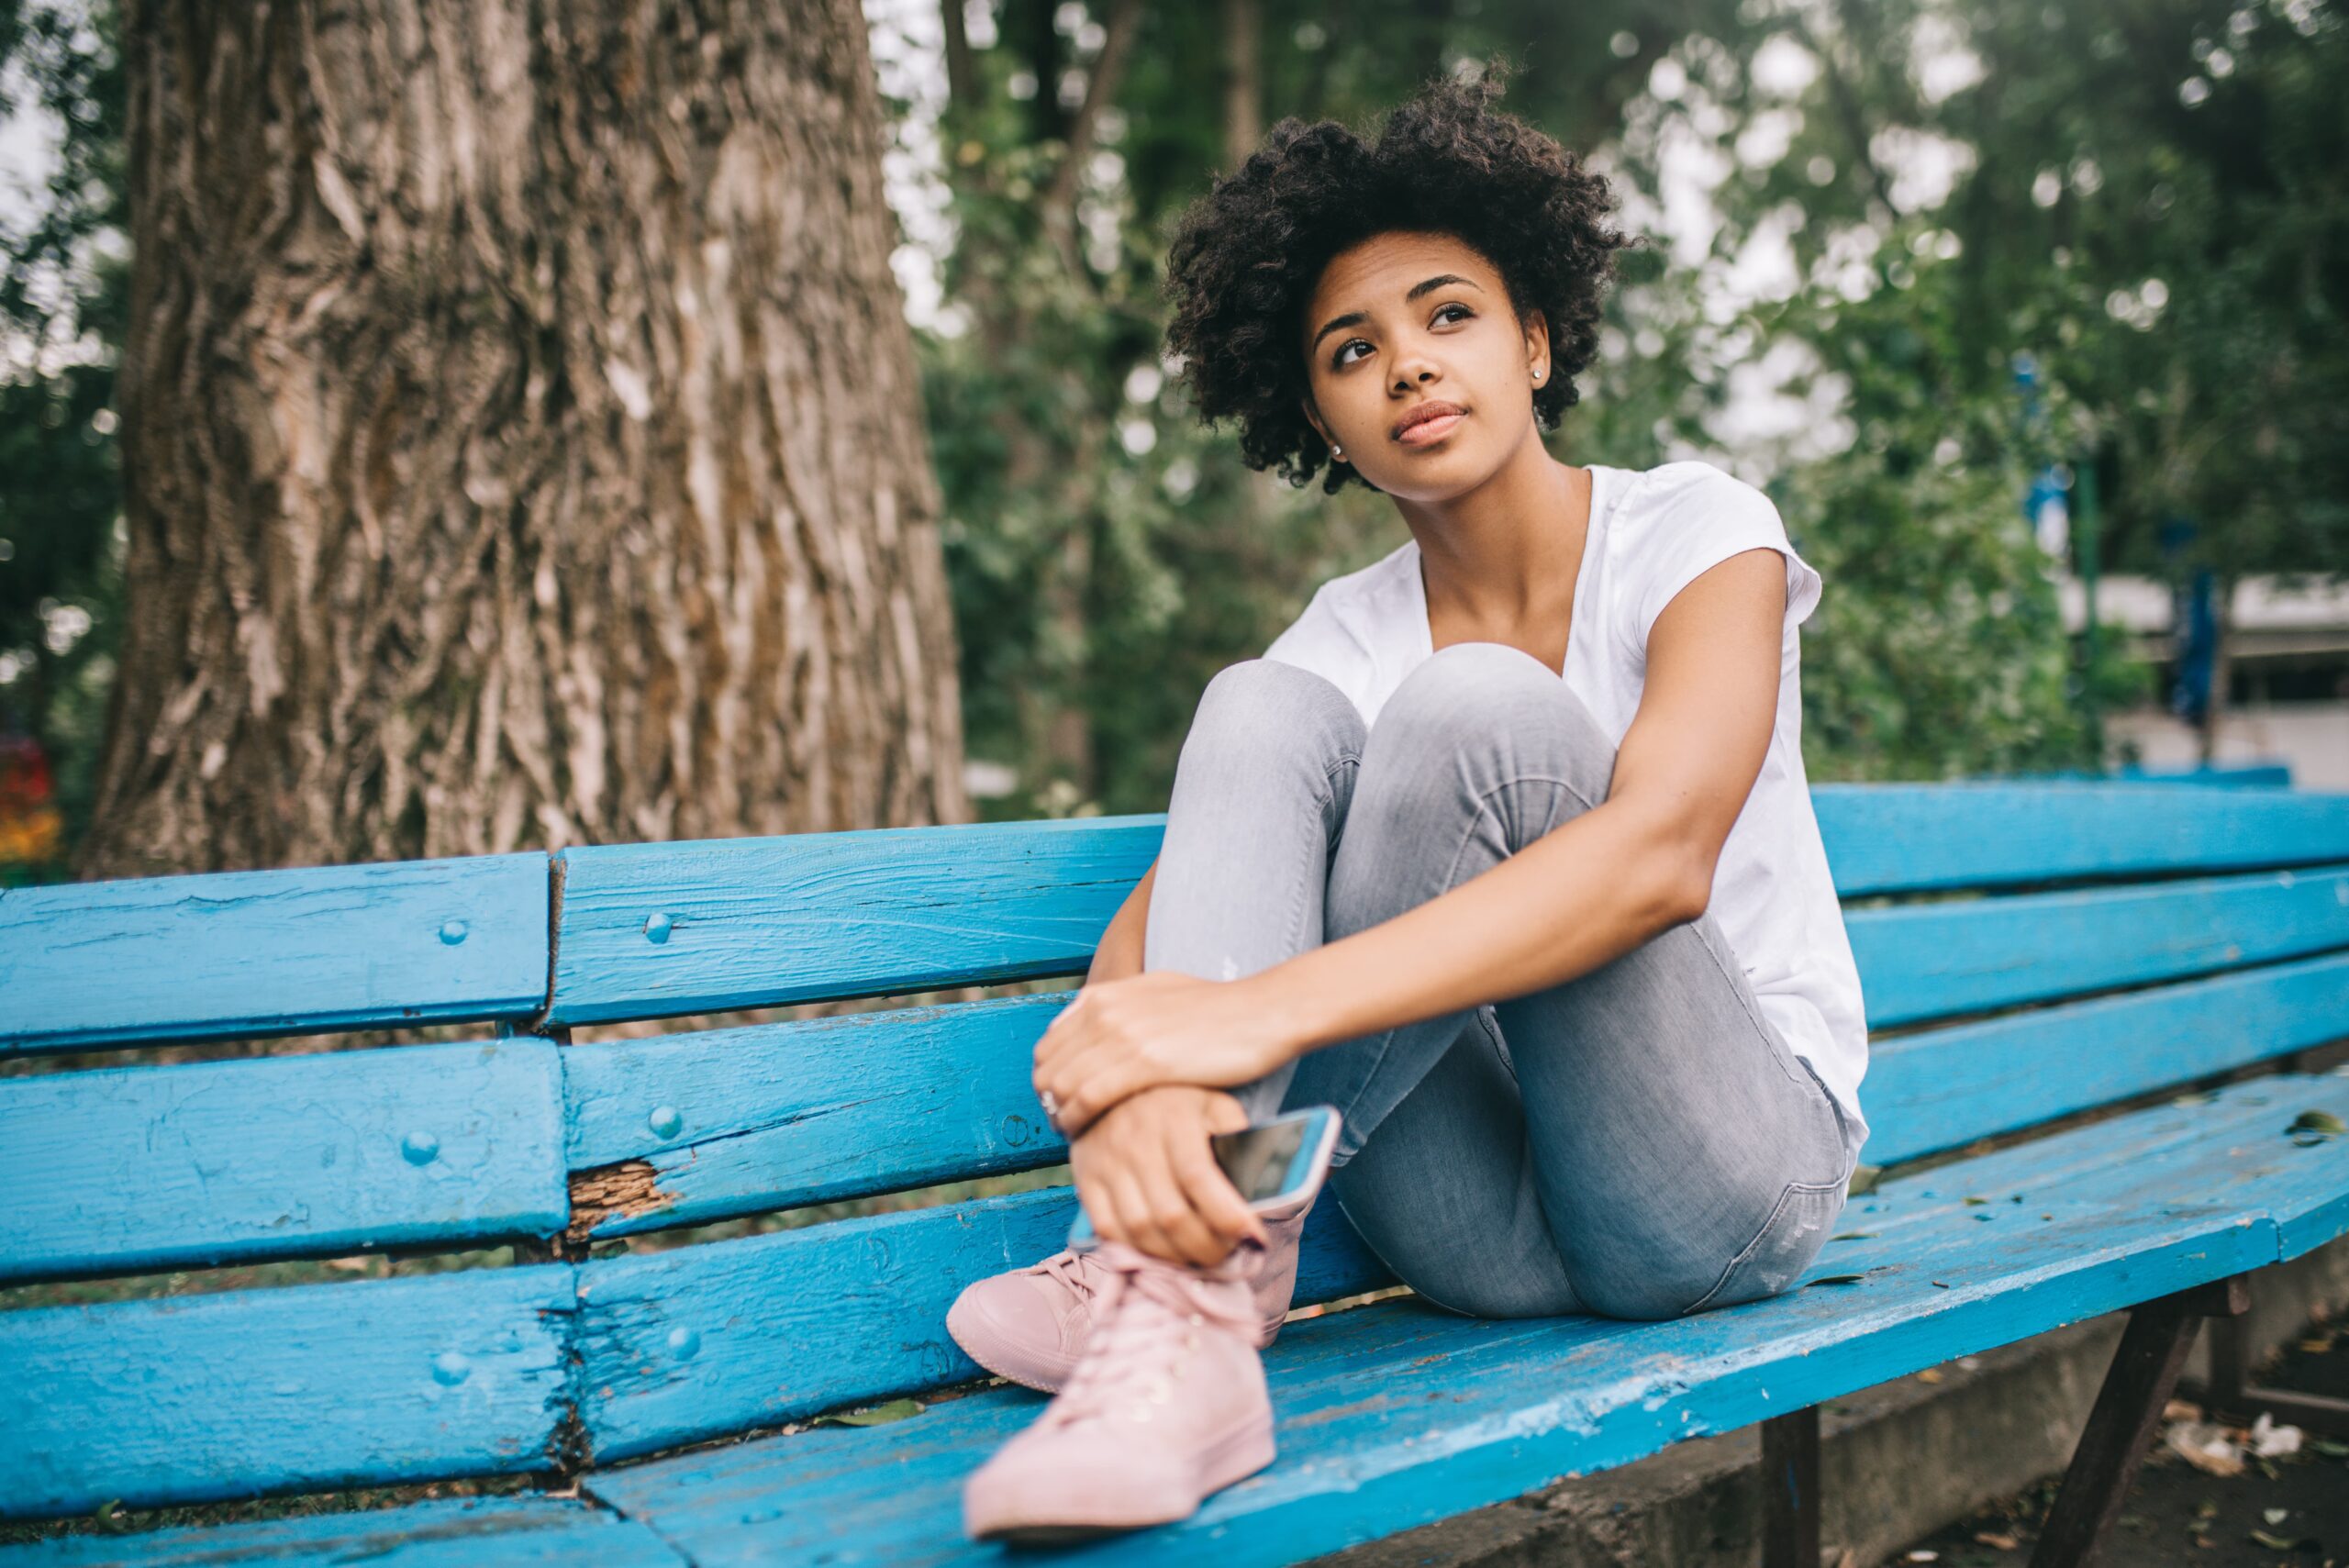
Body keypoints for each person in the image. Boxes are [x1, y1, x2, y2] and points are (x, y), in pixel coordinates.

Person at [955, 64, 1870, 1545]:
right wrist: (1126, 1104)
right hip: (1477, 1229)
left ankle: (1174, 1285)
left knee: (1476, 709)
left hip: (1721, 1179)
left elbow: (1661, 857)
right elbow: (1155, 945)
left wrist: (1252, 1019)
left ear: (1534, 334)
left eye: (1448, 314)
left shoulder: (1700, 532)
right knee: (1254, 701)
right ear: (1314, 409)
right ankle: (1180, 1306)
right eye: (1349, 348)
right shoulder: (1341, 631)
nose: (1409, 366)